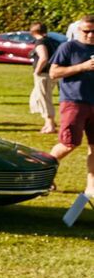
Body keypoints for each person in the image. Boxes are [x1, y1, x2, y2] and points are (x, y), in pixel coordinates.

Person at [49, 16, 94, 198]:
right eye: (87, 31)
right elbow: (54, 72)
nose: (90, 35)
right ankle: (43, 172)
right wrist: (82, 67)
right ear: (79, 31)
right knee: (69, 144)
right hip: (74, 101)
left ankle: (91, 188)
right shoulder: (69, 47)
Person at [29, 22, 56, 135]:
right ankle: (48, 123)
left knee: (44, 99)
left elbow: (44, 58)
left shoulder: (40, 42)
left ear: (33, 31)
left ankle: (50, 125)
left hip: (44, 74)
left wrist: (37, 71)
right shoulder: (50, 41)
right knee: (38, 98)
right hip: (50, 73)